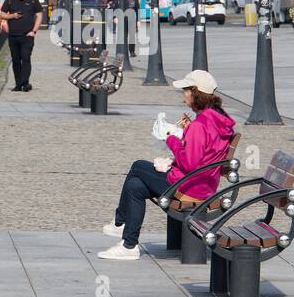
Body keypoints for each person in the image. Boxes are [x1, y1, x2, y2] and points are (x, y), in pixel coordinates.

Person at [98, 70, 237, 260]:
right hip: (204, 183)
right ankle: (128, 244)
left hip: (189, 186)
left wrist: (171, 139)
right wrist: (188, 132)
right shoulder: (215, 120)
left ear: (195, 93)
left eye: (186, 90)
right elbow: (205, 150)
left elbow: (189, 163)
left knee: (138, 166)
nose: (183, 95)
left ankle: (120, 224)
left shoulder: (201, 124)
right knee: (135, 186)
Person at [0, 0, 43, 91]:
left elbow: (39, 15)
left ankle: (25, 82)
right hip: (13, 36)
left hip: (27, 35)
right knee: (15, 60)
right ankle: (19, 84)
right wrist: (12, 16)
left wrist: (34, 31)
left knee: (26, 58)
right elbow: (2, 14)